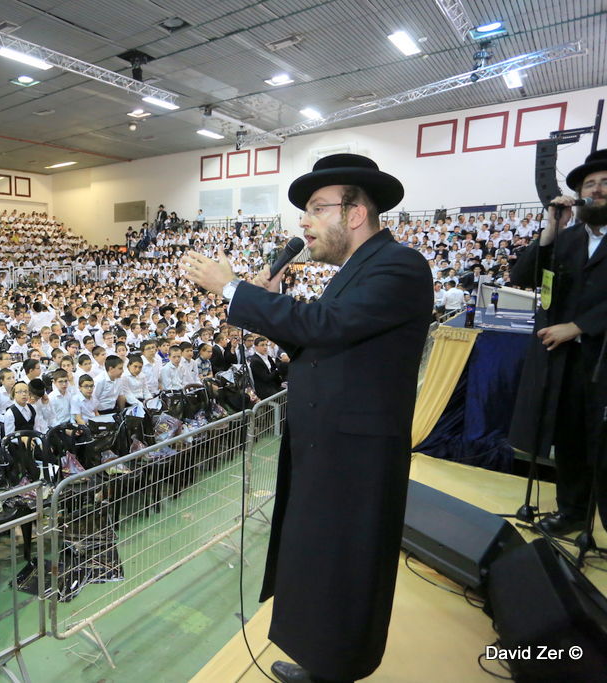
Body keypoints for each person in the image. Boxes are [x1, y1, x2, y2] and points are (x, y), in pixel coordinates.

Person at [182, 153, 433, 683]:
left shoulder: (401, 265)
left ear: (357, 213)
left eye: (317, 209)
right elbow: (317, 338)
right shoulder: (352, 274)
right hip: (327, 450)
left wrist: (233, 289)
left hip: (358, 458)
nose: (303, 222)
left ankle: (340, 668)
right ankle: (321, 663)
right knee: (319, 563)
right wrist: (270, 304)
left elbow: (325, 325)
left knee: (346, 568)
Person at [509, 149, 607, 535]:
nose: (597, 191)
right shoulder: (567, 240)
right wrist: (551, 231)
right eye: (589, 185)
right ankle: (572, 512)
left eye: (604, 184)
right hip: (567, 364)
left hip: (602, 358)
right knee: (570, 440)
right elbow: (522, 276)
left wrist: (579, 326)